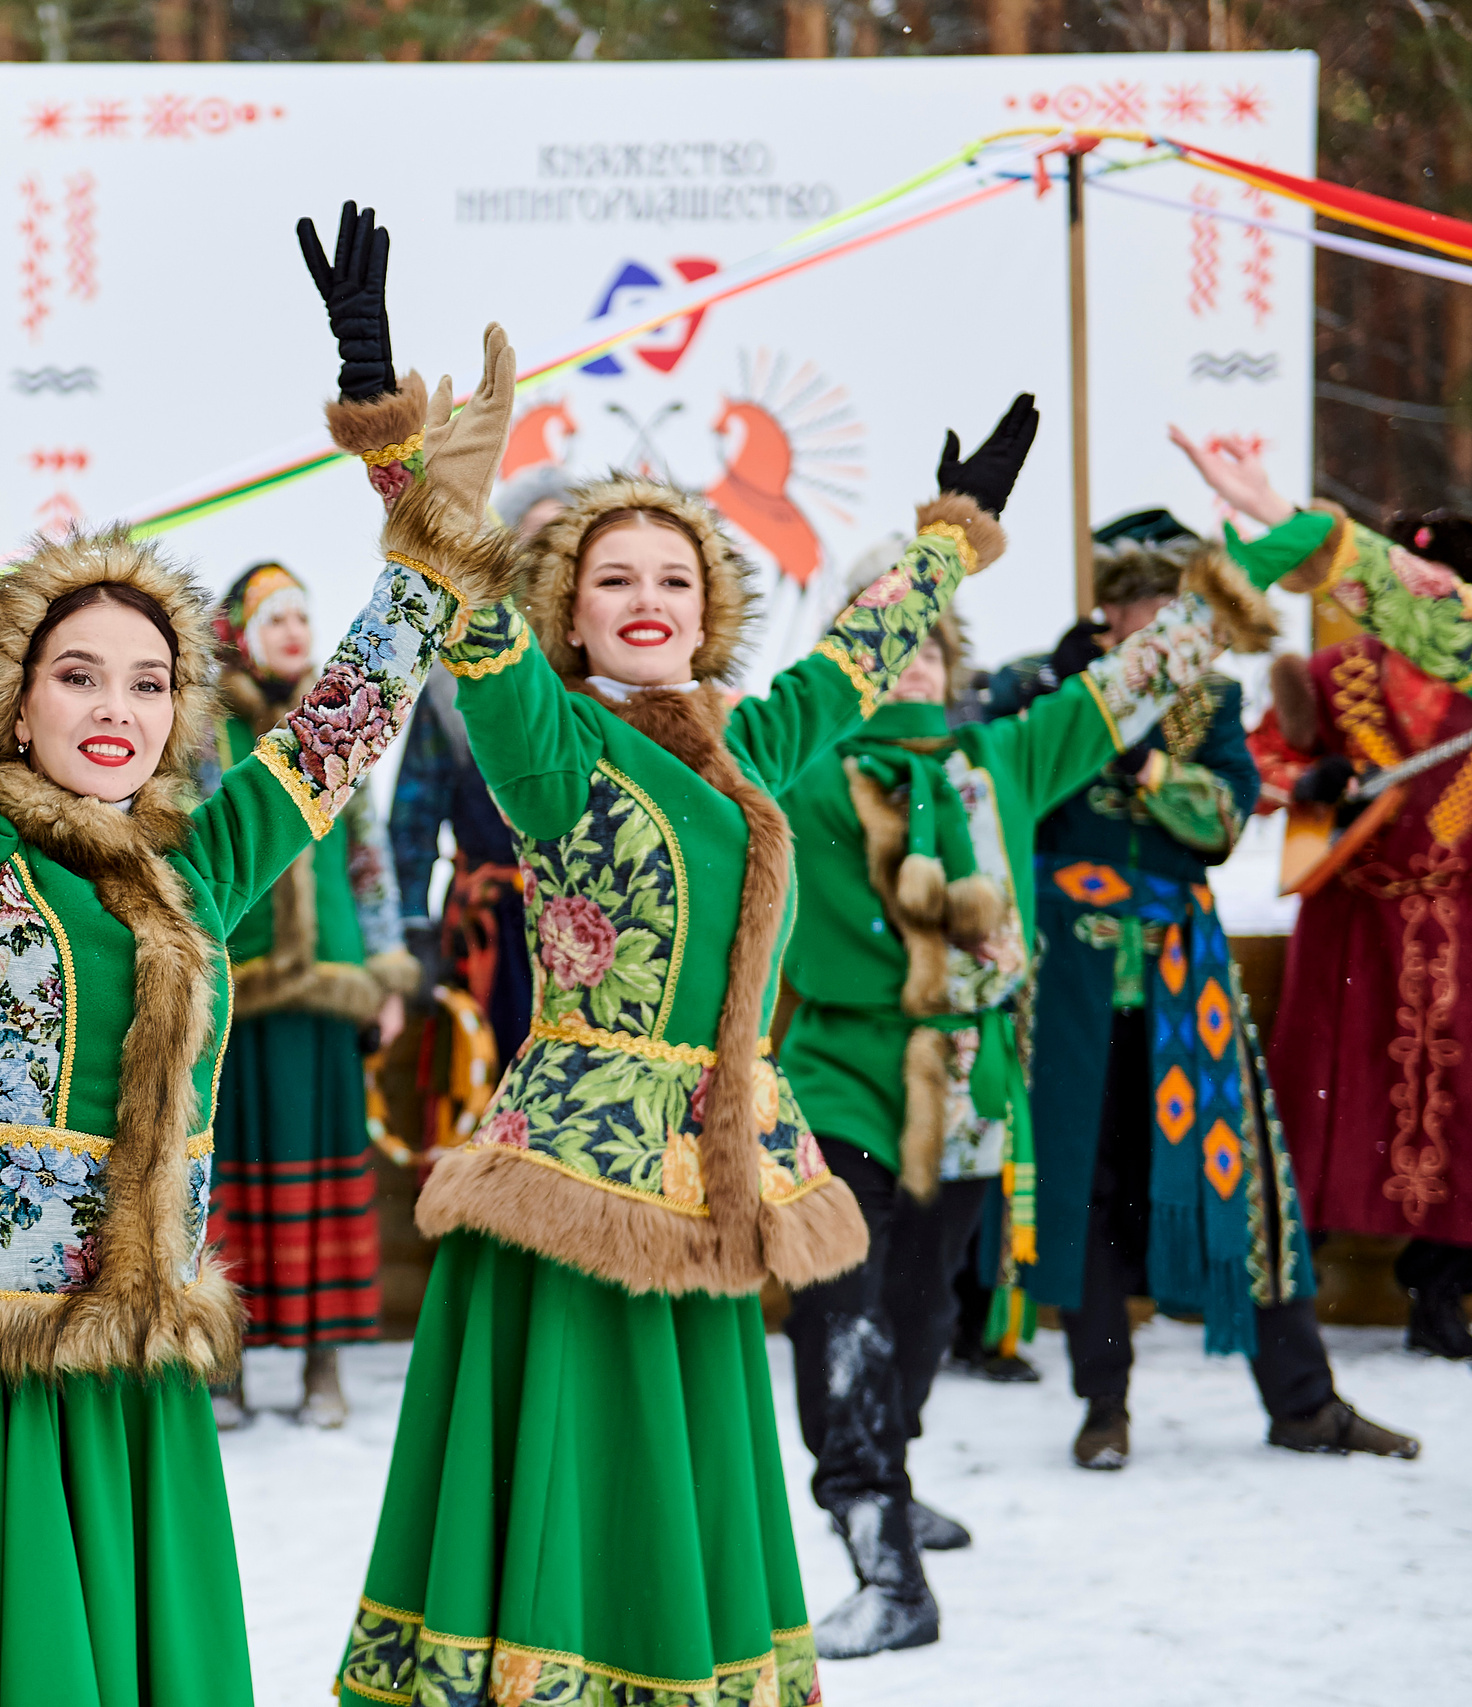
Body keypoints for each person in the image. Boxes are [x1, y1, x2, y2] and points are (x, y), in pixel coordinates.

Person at [0, 202, 520, 1706]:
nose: (116, 706)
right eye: (79, 673)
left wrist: (425, 540)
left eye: (148, 679)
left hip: (135, 1360)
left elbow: (344, 719)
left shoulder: (205, 864)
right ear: (20, 702)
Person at [309, 200, 1037, 1707]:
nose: (647, 601)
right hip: (582, 1174)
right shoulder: (549, 742)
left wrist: (947, 538)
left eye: (675, 580)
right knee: (580, 1460)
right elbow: (465, 620)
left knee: (683, 1468)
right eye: (615, 580)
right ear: (571, 614)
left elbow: (852, 660)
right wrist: (391, 431)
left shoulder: (751, 747)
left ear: (709, 613)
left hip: (717, 1171)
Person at [779, 528, 1278, 1655]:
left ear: (953, 660)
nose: (908, 655)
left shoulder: (1006, 755)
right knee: (839, 1311)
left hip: (971, 1081)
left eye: (927, 640)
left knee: (923, 1308)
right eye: (882, 637)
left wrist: (1284, 537)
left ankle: (891, 1473)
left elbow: (1146, 667)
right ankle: (880, 1553)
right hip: (840, 1078)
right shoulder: (800, 766)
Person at [987, 496, 1417, 1472]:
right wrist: (1054, 700)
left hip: (1185, 980)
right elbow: (996, 782)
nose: (1156, 626)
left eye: (1170, 607)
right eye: (1137, 608)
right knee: (1084, 1186)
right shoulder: (1043, 693)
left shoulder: (1212, 704)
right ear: (1108, 612)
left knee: (1244, 1179)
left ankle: (1302, 1402)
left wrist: (1149, 772)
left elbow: (1221, 822)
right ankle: (1103, 1407)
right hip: (1069, 978)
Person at [1228, 494, 1472, 1359]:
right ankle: (1284, 1293)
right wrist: (1306, 785)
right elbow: (1255, 764)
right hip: (1351, 923)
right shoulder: (1329, 677)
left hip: (1459, 926)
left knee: (1461, 1110)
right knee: (1324, 1103)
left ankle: (1439, 1289)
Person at [200, 559, 418, 1430]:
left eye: (302, 614)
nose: (295, 631)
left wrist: (387, 970)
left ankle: (323, 1362)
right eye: (275, 618)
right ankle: (225, 1364)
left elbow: (370, 861)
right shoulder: (206, 732)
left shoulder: (337, 729)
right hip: (235, 987)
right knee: (226, 1176)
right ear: (241, 636)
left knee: (325, 1175)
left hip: (330, 986)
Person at [387, 467, 573, 1142]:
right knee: (490, 1103)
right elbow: (413, 819)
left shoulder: (600, 667)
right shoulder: (454, 674)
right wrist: (413, 933)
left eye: (564, 537)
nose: (547, 551)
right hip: (490, 929)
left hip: (589, 922)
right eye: (535, 536)